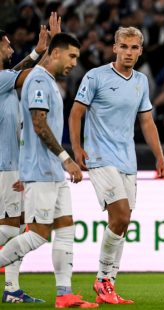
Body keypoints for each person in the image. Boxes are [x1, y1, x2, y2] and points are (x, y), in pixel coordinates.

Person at [69, 26, 164, 305]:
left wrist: (159, 156)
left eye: (134, 47)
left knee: (121, 224)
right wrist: (77, 148)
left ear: (140, 51)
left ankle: (109, 284)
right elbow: (76, 112)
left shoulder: (141, 81)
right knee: (122, 216)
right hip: (100, 157)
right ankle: (102, 279)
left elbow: (146, 121)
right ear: (114, 48)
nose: (128, 52)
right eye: (124, 46)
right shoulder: (95, 76)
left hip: (128, 160)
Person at [0, 32, 98, 308]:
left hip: (51, 171)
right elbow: (38, 123)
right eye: (72, 56)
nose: (74, 63)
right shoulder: (39, 80)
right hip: (43, 169)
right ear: (55, 53)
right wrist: (66, 157)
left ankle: (64, 294)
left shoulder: (48, 80)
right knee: (37, 235)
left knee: (66, 228)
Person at [0, 13, 56, 304]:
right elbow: (33, 75)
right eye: (7, 45)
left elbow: (21, 70)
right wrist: (52, 50)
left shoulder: (4, 80)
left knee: (19, 229)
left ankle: (11, 289)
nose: (11, 50)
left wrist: (38, 50)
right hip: (4, 166)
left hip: (12, 165)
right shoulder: (1, 79)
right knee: (10, 228)